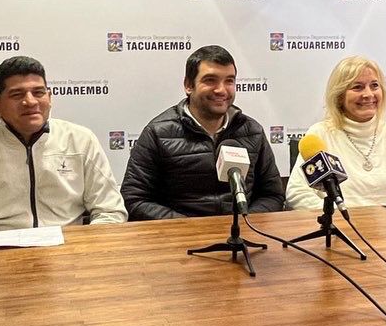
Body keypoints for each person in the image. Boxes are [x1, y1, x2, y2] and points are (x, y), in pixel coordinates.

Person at [0, 56, 126, 234]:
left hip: (67, 257)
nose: (30, 101)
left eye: (38, 92)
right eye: (17, 95)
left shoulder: (80, 140)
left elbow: (110, 211)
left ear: (50, 97)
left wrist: (84, 249)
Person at [121, 45, 284, 220]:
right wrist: (191, 227)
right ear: (189, 85)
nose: (221, 90)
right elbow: (134, 198)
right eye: (210, 80)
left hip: (243, 238)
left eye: (229, 81)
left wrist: (243, 223)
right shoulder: (158, 133)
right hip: (181, 241)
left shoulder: (252, 132)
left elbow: (272, 195)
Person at [286, 55, 386, 209]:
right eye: (357, 87)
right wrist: (340, 217)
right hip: (340, 229)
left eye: (374, 86)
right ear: (339, 96)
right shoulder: (320, 134)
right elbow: (297, 193)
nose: (368, 94)